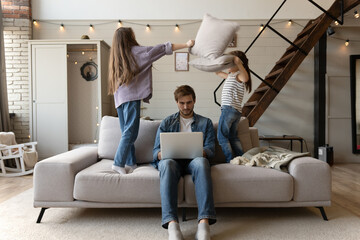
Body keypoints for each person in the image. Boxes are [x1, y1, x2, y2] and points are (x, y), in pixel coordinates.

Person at [108, 27, 194, 175]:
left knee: (126, 132)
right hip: (131, 98)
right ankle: (118, 163)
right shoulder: (137, 52)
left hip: (120, 99)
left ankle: (130, 162)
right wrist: (186, 44)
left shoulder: (117, 56)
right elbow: (163, 48)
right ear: (130, 37)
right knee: (130, 133)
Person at [152, 85, 216, 240]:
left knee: (202, 163)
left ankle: (204, 223)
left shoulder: (205, 122)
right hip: (172, 162)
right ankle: (172, 224)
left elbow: (211, 149)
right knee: (167, 164)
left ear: (194, 101)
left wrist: (202, 151)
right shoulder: (167, 122)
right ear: (176, 102)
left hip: (194, 161)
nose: (186, 107)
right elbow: (155, 151)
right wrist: (162, 154)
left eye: (189, 102)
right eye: (182, 103)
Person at [215, 50, 252, 163]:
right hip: (235, 111)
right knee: (233, 136)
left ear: (236, 64)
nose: (227, 66)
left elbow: (246, 78)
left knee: (221, 136)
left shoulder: (239, 76)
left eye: (229, 63)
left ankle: (230, 159)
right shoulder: (231, 76)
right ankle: (242, 158)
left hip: (229, 109)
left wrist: (239, 63)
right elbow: (217, 72)